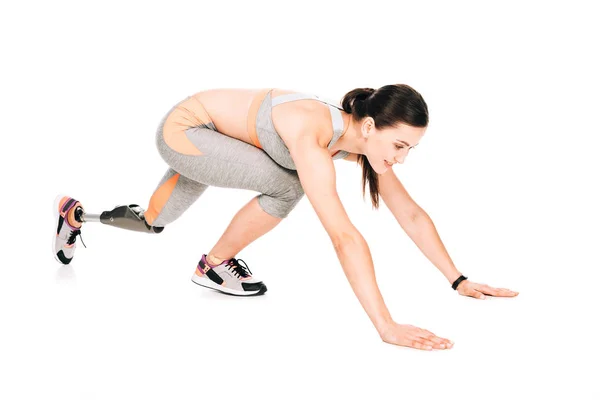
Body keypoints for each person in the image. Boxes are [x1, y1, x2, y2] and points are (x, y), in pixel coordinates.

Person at [53, 84, 519, 350]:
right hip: (187, 133)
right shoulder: (315, 133)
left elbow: (411, 214)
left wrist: (457, 279)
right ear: (372, 127)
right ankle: (213, 265)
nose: (402, 158)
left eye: (410, 149)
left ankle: (76, 216)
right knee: (291, 182)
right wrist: (386, 326)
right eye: (400, 146)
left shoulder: (360, 145)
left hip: (220, 142)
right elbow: (344, 237)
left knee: (154, 222)